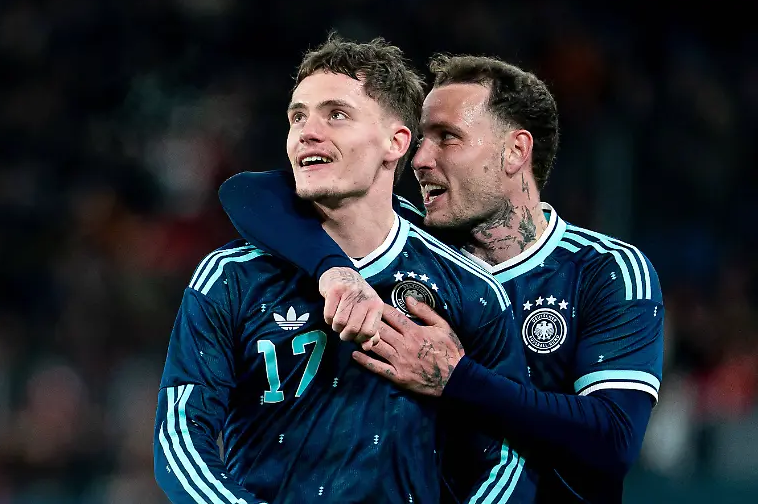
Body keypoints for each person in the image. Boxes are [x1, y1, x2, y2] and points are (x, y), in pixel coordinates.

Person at [220, 54, 665, 503]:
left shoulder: (603, 270)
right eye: (421, 138)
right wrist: (334, 270)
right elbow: (251, 191)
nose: (420, 158)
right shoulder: (408, 248)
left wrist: (457, 380)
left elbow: (613, 440)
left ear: (515, 151)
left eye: (447, 139)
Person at [154, 36, 534, 504]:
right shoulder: (231, 277)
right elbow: (180, 438)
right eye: (297, 116)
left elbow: (508, 457)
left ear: (396, 142)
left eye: (336, 114)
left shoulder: (470, 289)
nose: (307, 132)